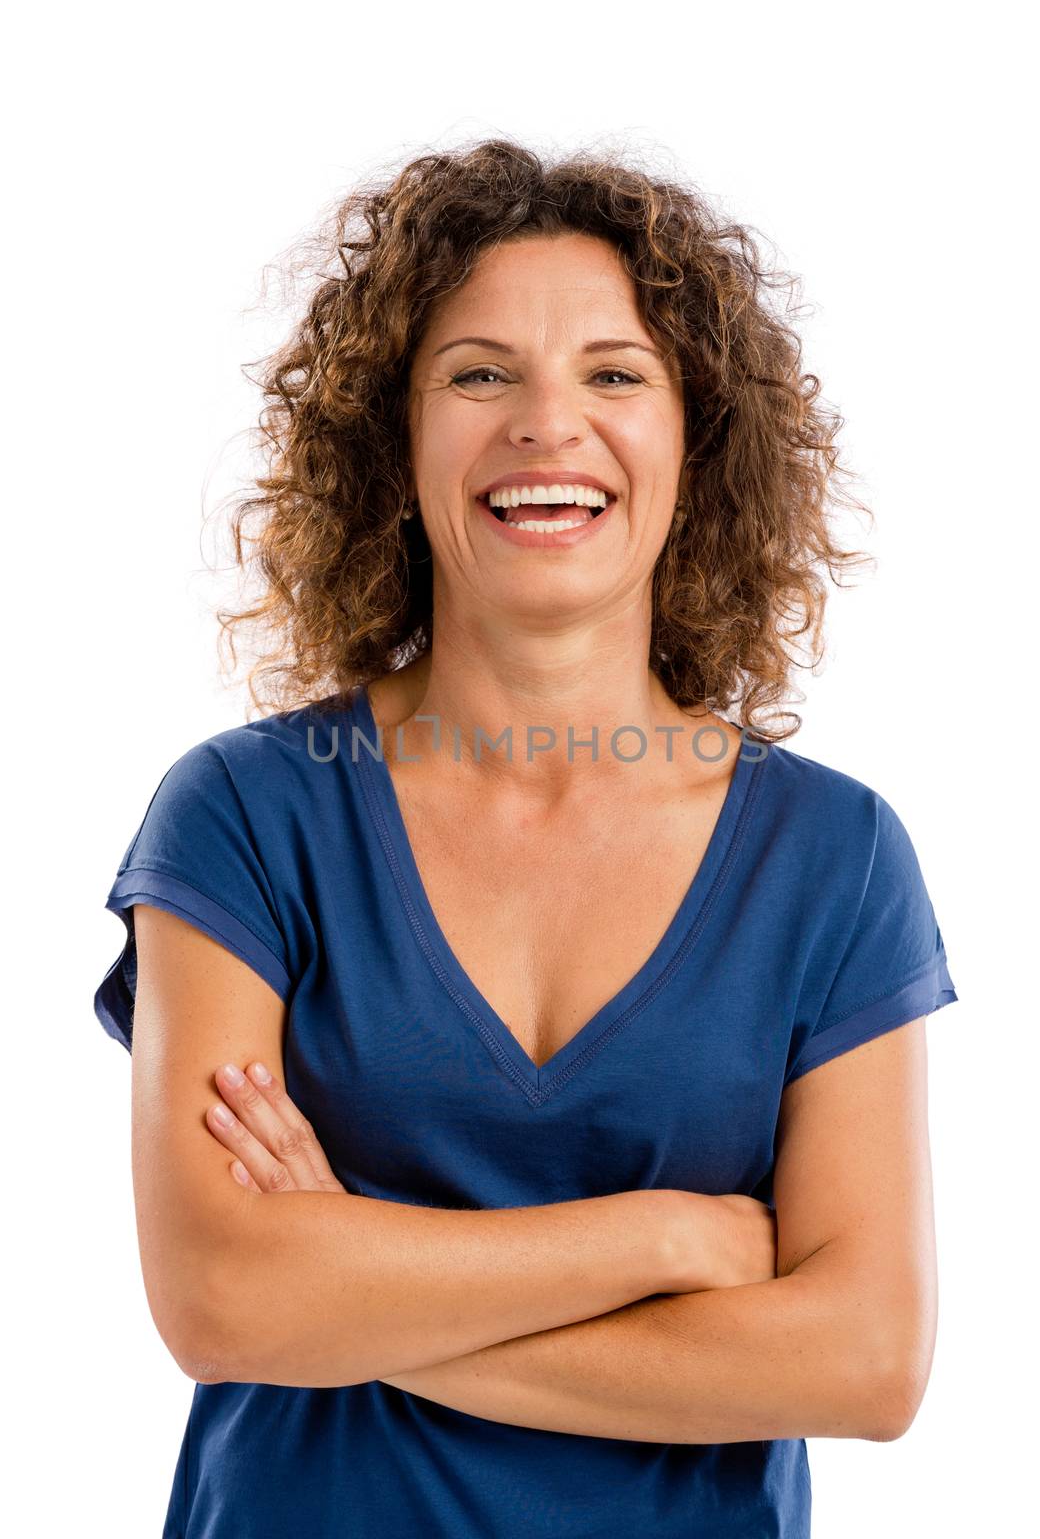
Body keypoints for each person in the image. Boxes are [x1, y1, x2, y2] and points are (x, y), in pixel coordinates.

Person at [94, 138, 959, 1539]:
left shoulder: (835, 858)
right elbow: (220, 1300)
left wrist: (358, 1292)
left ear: (699, 439)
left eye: (615, 375)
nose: (547, 425)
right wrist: (666, 1240)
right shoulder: (249, 814)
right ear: (396, 434)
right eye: (479, 374)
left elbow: (863, 1363)